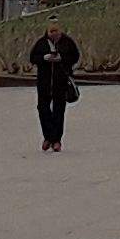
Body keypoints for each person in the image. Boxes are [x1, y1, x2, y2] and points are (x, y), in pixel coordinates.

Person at [28, 23, 82, 152]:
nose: (53, 33)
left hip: (61, 82)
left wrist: (61, 58)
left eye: (56, 31)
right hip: (44, 82)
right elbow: (32, 58)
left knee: (59, 111)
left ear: (60, 30)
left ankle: (57, 140)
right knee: (43, 109)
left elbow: (75, 57)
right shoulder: (41, 43)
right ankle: (48, 137)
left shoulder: (67, 42)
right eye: (51, 31)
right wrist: (43, 58)